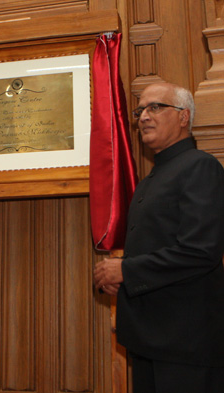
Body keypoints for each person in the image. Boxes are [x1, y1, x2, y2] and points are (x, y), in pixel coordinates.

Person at [94, 82, 224, 392]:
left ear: (184, 117)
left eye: (156, 107)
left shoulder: (200, 167)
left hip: (187, 344)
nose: (143, 117)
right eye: (140, 111)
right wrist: (117, 274)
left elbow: (200, 251)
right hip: (148, 339)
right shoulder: (150, 180)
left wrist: (126, 270)